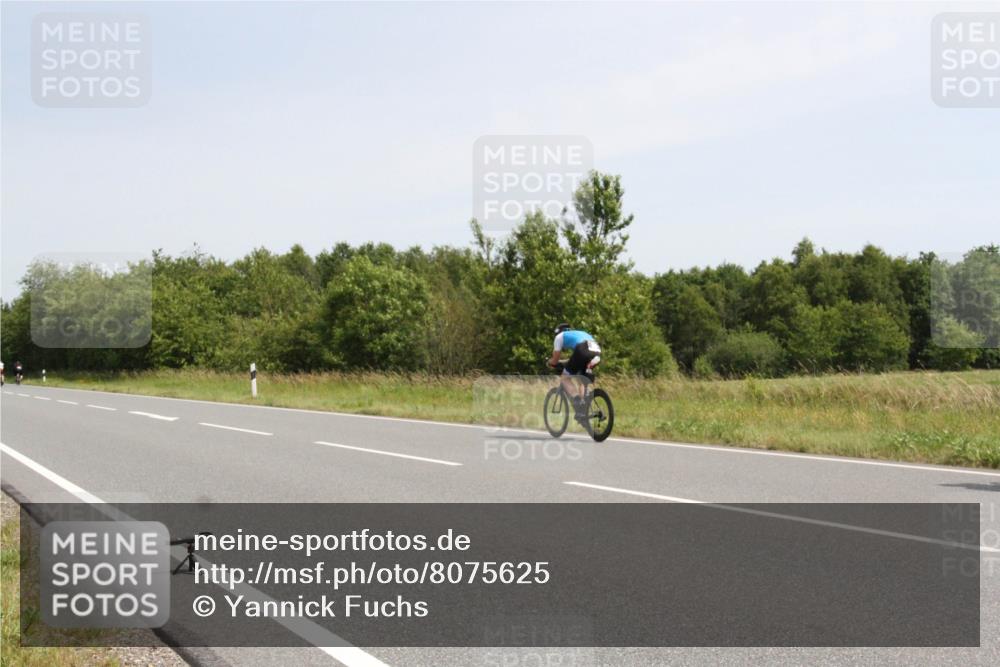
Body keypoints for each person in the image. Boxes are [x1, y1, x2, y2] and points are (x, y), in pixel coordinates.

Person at [546, 323, 601, 420]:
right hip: (596, 351)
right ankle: (583, 407)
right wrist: (563, 362)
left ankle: (578, 403)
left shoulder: (559, 337)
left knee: (564, 378)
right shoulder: (580, 333)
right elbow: (575, 358)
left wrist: (549, 362)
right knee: (581, 379)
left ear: (558, 332)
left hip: (582, 350)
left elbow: (555, 360)